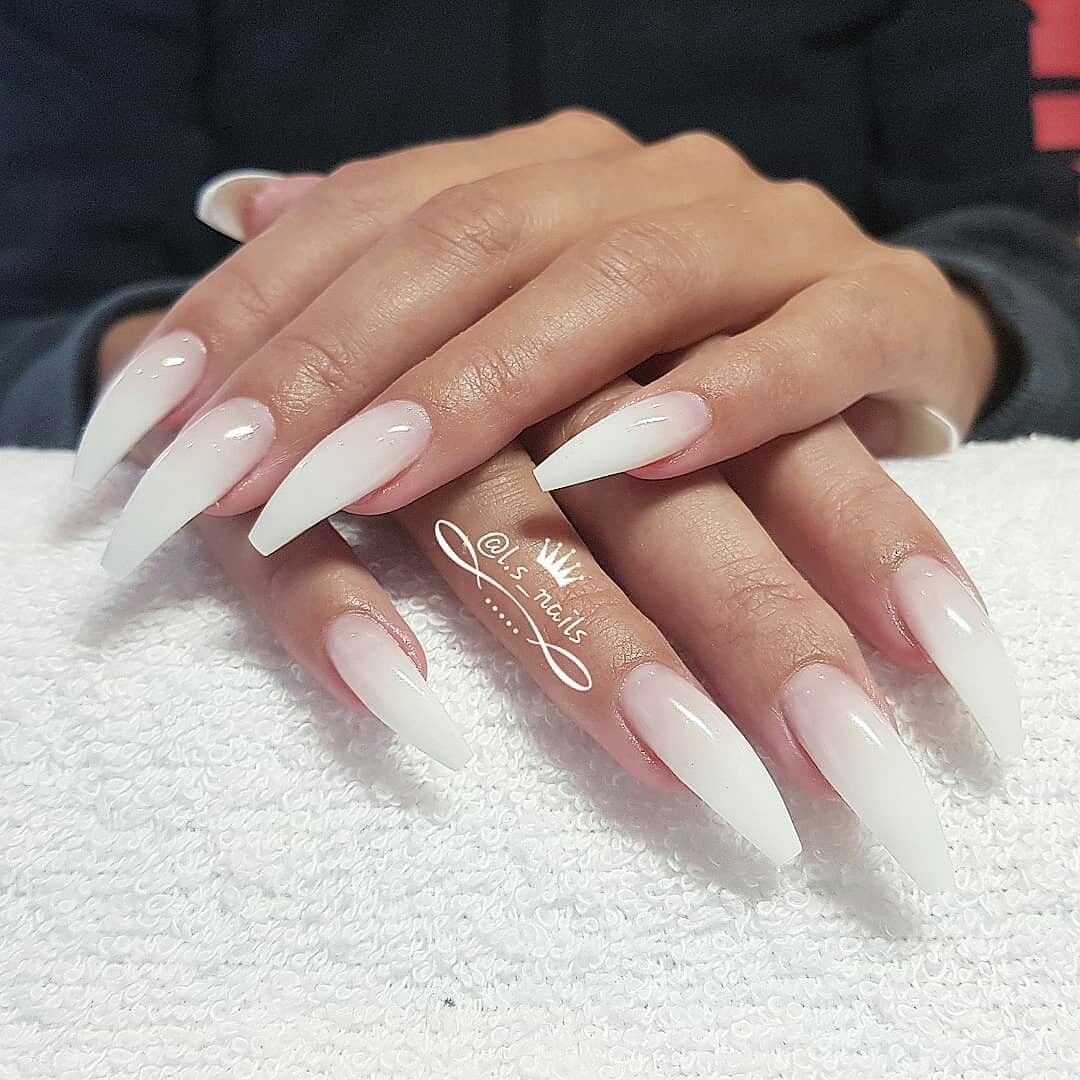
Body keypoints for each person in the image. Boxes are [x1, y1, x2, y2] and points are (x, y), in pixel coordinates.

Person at [2, 1, 1077, 889]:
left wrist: (968, 330)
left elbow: (1018, 244)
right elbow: (30, 311)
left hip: (774, 396)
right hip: (294, 406)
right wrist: (210, 371)